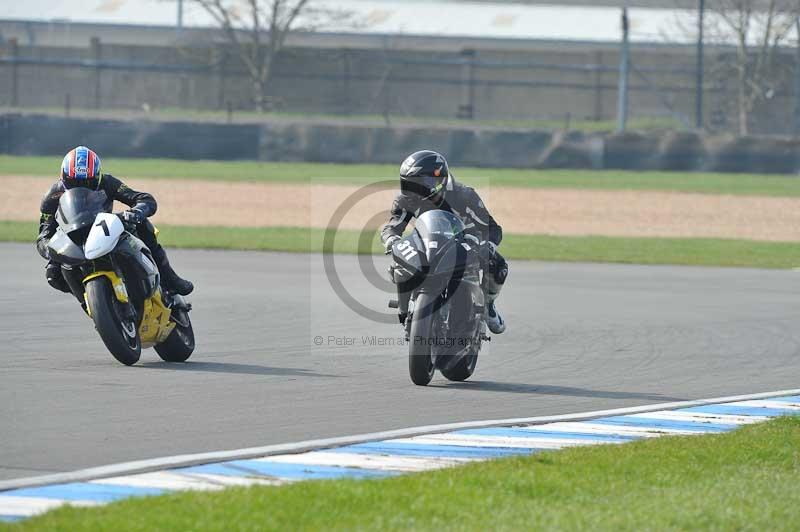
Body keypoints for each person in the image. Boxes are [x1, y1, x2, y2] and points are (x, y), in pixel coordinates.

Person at [36, 146, 194, 296]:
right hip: (73, 238)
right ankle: (90, 301)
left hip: (104, 228)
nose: (80, 186)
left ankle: (169, 278)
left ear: (97, 177)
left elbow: (144, 199)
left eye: (87, 183)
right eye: (74, 182)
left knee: (143, 225)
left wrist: (136, 212)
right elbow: (43, 234)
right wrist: (49, 249)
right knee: (53, 274)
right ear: (64, 177)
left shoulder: (107, 182)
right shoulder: (53, 196)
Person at [381, 150, 507, 334]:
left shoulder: (464, 195)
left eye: (417, 184)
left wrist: (487, 246)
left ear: (438, 180)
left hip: (464, 244)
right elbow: (392, 226)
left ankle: (487, 305)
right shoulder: (407, 199)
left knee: (499, 266)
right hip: (427, 243)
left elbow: (492, 228)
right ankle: (405, 310)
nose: (412, 190)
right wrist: (391, 240)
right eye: (408, 184)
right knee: (398, 265)